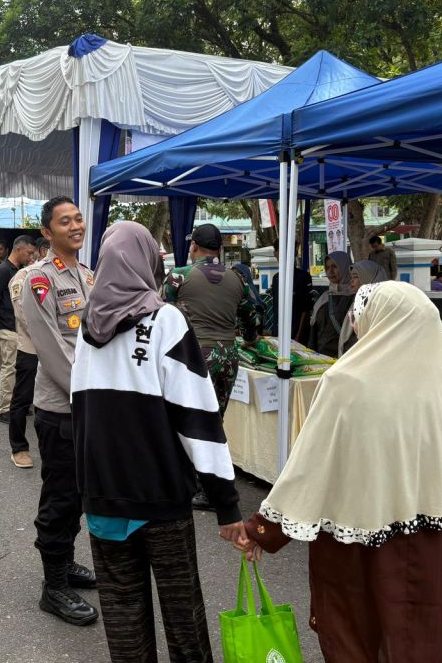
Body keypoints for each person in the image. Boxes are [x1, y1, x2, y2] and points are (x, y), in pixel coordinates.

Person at [239, 282, 442, 662]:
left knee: (353, 640)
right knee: (416, 643)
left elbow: (311, 469)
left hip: (354, 549)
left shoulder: (347, 383)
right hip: (429, 544)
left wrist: (263, 530)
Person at [72, 221, 245, 663]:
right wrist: (225, 502)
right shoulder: (166, 320)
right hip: (160, 495)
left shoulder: (87, 326)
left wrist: (86, 487)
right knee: (182, 614)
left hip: (103, 494)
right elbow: (198, 416)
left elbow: (81, 411)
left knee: (123, 614)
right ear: (148, 260)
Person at [19, 196, 99, 627]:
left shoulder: (88, 275)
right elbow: (51, 349)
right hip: (62, 407)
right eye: (64, 222)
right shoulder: (37, 280)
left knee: (81, 495)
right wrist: (87, 397)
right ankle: (53, 586)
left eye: (78, 218)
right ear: (47, 233)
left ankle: (66, 563)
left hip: (87, 404)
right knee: (61, 496)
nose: (75, 226)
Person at [163, 223, 259, 510]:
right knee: (215, 420)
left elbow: (162, 313)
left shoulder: (180, 275)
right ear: (219, 248)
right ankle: (213, 487)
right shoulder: (237, 278)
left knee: (186, 417)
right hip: (228, 357)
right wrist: (251, 340)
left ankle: (190, 483)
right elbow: (251, 317)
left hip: (194, 355)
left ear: (193, 246)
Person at [0, 235, 36, 423]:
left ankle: (18, 404)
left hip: (19, 328)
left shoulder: (18, 270)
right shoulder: (2, 271)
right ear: (18, 249)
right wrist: (7, 316)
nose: (31, 256)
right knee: (9, 369)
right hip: (8, 327)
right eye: (29, 252)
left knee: (21, 369)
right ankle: (5, 408)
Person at [7, 263, 38, 469]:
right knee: (23, 399)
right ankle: (19, 448)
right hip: (32, 348)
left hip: (65, 351)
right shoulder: (24, 276)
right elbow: (22, 313)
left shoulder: (79, 273)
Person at [336, 259, 389, 356]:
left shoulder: (377, 305)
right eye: (351, 277)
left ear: (369, 277)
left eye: (356, 277)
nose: (351, 281)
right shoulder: (357, 302)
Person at [307, 251, 354, 358]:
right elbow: (313, 333)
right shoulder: (323, 298)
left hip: (344, 359)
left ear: (345, 267)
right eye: (327, 267)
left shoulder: (356, 297)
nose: (330, 271)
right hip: (321, 359)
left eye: (335, 266)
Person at [268, 239, 314, 343]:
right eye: (281, 250)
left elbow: (305, 310)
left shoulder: (303, 277)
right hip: (278, 335)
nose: (285, 254)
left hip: (296, 336)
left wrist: (298, 336)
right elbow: (276, 309)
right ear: (275, 254)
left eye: (289, 250)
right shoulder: (276, 278)